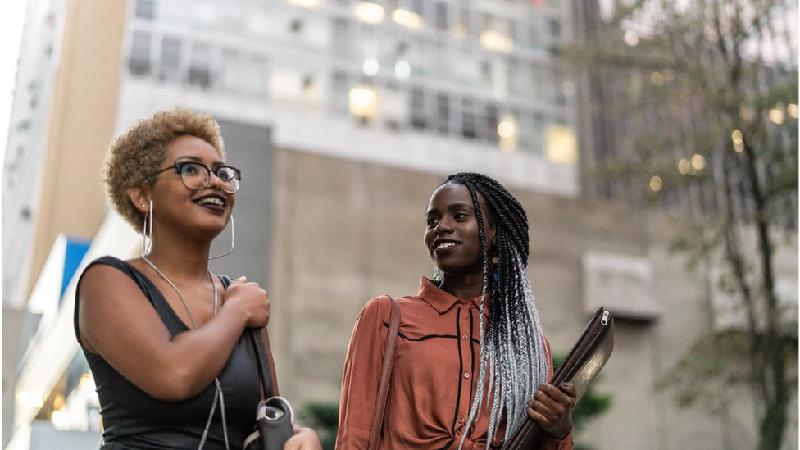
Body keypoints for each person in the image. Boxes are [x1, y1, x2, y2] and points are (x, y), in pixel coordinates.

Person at [74, 108, 321, 450]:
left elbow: (264, 424)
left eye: (222, 172)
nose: (216, 181)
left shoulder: (242, 299)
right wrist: (236, 312)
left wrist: (299, 436)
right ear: (142, 196)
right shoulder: (107, 281)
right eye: (191, 169)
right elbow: (174, 375)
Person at [336, 172, 575, 450]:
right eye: (432, 221)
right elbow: (354, 436)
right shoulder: (386, 317)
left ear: (495, 232)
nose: (441, 227)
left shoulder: (527, 346)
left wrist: (559, 430)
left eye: (459, 216)